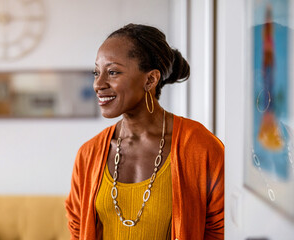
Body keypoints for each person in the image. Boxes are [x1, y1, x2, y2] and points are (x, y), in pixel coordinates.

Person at [65, 23, 224, 240]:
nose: (98, 84)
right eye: (96, 72)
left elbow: (219, 229)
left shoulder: (200, 146)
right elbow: (77, 227)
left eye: (112, 72)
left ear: (150, 79)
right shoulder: (88, 154)